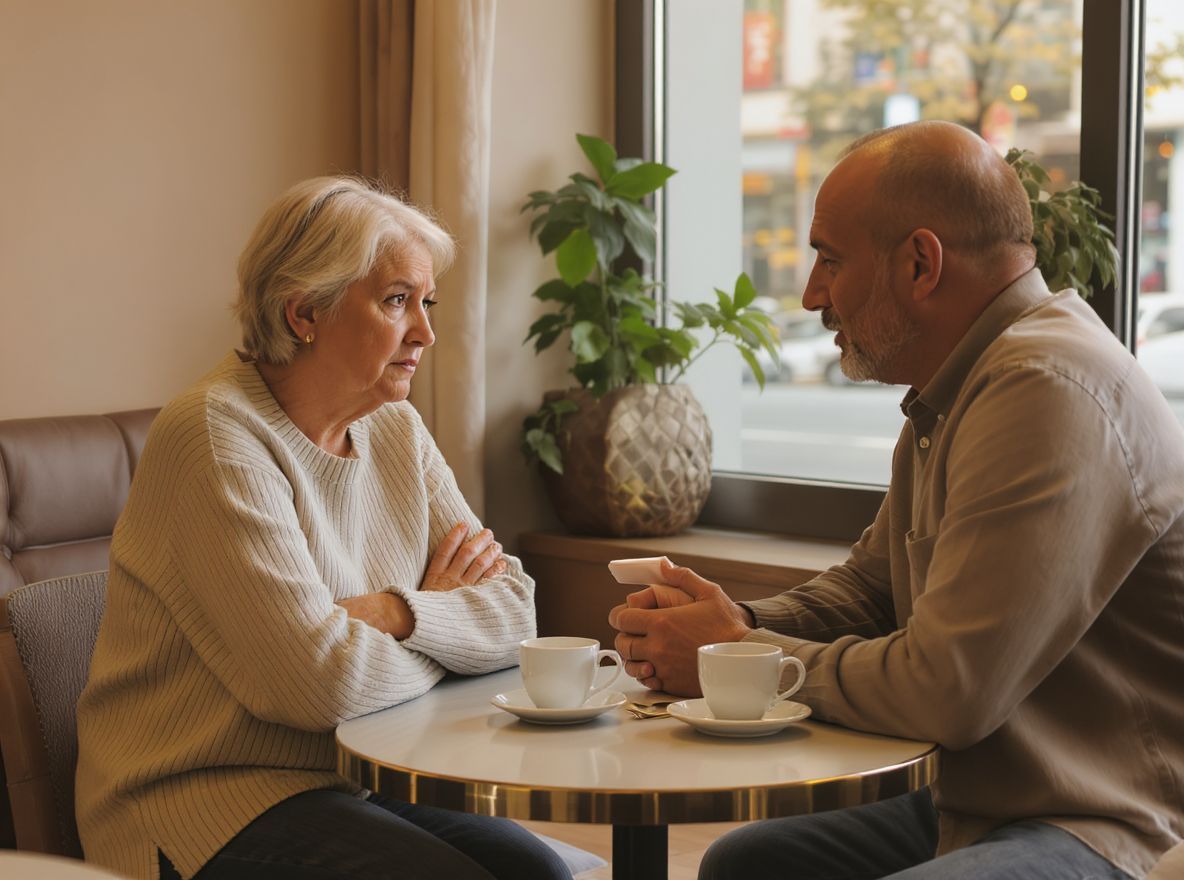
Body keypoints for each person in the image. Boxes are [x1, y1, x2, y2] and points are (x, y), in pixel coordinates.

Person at [608, 121, 1184, 880]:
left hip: (1103, 818)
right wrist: (738, 622)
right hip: (985, 794)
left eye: (829, 259)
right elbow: (872, 588)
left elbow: (948, 693)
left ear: (920, 262)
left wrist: (734, 657)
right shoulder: (963, 385)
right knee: (745, 864)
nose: (811, 293)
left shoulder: (1045, 387)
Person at [75, 177, 571, 880]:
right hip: (205, 797)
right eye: (398, 301)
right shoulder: (216, 437)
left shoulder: (394, 426)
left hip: (357, 778)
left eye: (426, 302)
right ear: (305, 311)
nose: (426, 332)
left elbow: (515, 614)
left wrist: (394, 613)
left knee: (539, 875)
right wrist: (438, 620)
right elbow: (319, 687)